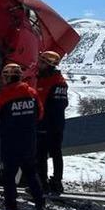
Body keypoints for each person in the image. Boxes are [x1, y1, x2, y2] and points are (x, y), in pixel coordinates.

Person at [0, 63, 49, 210]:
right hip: (29, 140)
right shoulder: (32, 93)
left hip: (10, 141)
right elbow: (40, 114)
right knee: (31, 172)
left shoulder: (3, 95)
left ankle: (11, 208)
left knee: (9, 175)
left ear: (7, 77)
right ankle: (41, 206)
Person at [36, 50, 69, 194]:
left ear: (48, 64)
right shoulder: (57, 80)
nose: (39, 64)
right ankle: (54, 182)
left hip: (47, 123)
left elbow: (47, 104)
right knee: (54, 152)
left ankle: (44, 183)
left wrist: (41, 121)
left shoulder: (52, 82)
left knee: (42, 153)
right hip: (56, 123)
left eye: (42, 62)